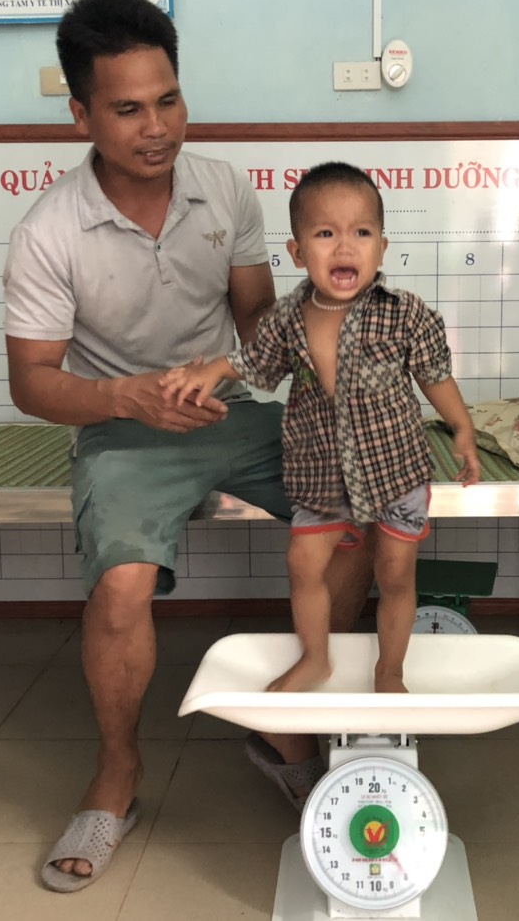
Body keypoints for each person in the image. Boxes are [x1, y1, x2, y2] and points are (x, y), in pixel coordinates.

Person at [2, 0, 373, 893]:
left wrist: (271, 374)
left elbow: (262, 331)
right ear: (81, 115)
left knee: (362, 508)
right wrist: (123, 396)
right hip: (122, 430)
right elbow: (32, 382)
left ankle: (289, 723)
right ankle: (117, 772)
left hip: (230, 414)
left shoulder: (225, 190)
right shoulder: (48, 231)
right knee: (122, 585)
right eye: (128, 109)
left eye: (168, 100)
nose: (157, 127)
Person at [162, 162, 481, 694]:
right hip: (321, 477)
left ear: (382, 247)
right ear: (297, 251)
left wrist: (462, 430)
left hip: (396, 472)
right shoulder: (287, 318)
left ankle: (390, 670)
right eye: (325, 234)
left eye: (362, 233)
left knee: (395, 573)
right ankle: (316, 659)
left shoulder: (404, 314)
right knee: (303, 563)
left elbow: (435, 376)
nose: (344, 247)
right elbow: (255, 363)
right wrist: (213, 369)